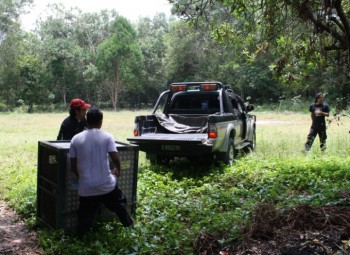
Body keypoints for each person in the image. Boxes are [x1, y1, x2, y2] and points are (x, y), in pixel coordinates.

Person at [69, 107, 133, 238]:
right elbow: (114, 157)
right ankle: (129, 226)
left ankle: (79, 237)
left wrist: (80, 177)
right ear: (100, 121)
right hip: (106, 187)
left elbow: (73, 164)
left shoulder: (75, 139)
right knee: (120, 204)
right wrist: (118, 170)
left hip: (86, 189)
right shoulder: (107, 136)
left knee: (85, 216)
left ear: (87, 121)